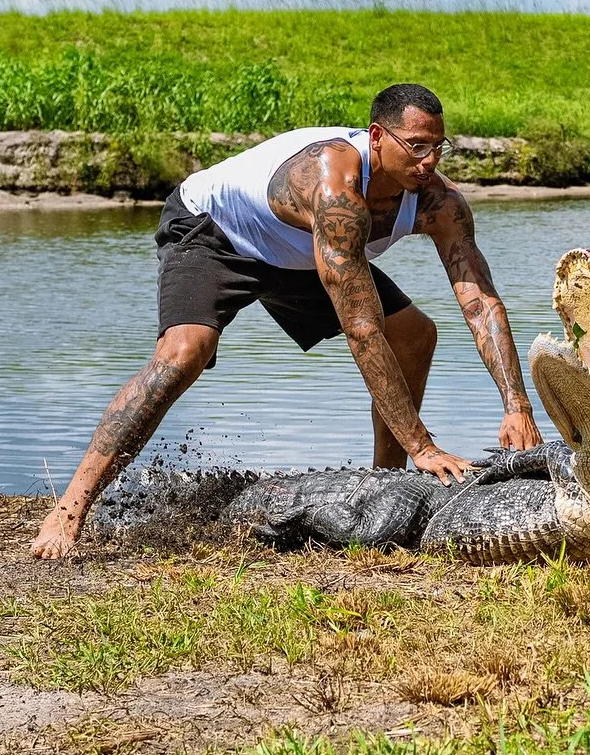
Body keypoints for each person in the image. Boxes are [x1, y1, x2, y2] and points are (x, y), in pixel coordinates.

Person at [30, 82, 542, 558]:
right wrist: (423, 444)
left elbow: (480, 301)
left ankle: (386, 487)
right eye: (415, 146)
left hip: (302, 256)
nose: (429, 162)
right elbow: (362, 330)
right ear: (378, 138)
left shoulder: (440, 203)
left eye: (438, 147)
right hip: (218, 234)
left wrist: (517, 405)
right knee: (184, 352)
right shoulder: (334, 185)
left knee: (414, 334)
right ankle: (70, 507)